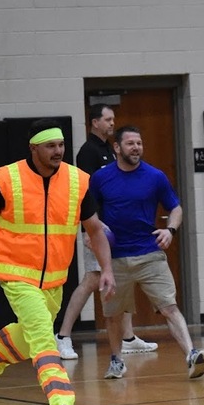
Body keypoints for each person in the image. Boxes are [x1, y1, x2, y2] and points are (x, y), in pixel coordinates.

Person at [0, 119, 115, 405]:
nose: (58, 151)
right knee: (44, 338)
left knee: (31, 335)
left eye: (60, 145)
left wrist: (107, 270)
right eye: (50, 146)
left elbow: (95, 229)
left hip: (54, 280)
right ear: (33, 148)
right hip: (15, 274)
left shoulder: (76, 182)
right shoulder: (7, 179)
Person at [89, 125, 204, 380]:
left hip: (149, 253)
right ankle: (116, 361)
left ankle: (191, 355)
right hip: (115, 258)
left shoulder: (155, 176)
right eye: (131, 143)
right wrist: (91, 233)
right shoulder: (101, 178)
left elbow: (175, 208)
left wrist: (170, 230)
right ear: (117, 147)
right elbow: (88, 213)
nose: (136, 148)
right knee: (113, 314)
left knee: (169, 306)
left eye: (139, 143)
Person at [55, 104, 157, 360]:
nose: (112, 123)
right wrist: (93, 229)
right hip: (96, 228)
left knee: (121, 276)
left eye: (114, 120)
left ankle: (128, 338)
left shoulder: (111, 150)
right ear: (94, 122)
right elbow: (87, 195)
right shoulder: (87, 153)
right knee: (92, 278)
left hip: (115, 228)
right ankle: (63, 336)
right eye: (108, 119)